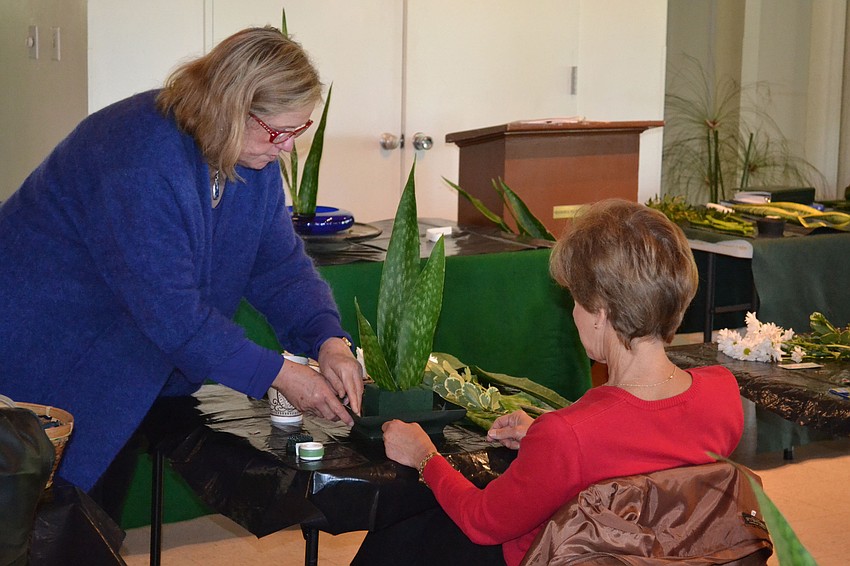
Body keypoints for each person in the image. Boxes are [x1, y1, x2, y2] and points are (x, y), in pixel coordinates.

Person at [0, 27, 363, 494]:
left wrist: (327, 338)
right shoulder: (137, 155)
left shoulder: (252, 157)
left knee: (86, 517)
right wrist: (279, 375)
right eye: (278, 131)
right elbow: (172, 313)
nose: (287, 147)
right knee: (39, 514)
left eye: (299, 130)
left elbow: (279, 267)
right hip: (44, 350)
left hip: (122, 358)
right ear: (230, 109)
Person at [357, 199, 744, 566]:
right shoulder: (722, 393)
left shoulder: (569, 436)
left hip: (542, 556)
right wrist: (544, 442)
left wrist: (424, 457)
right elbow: (641, 447)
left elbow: (482, 522)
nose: (572, 313)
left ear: (600, 313)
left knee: (401, 532)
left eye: (575, 299)